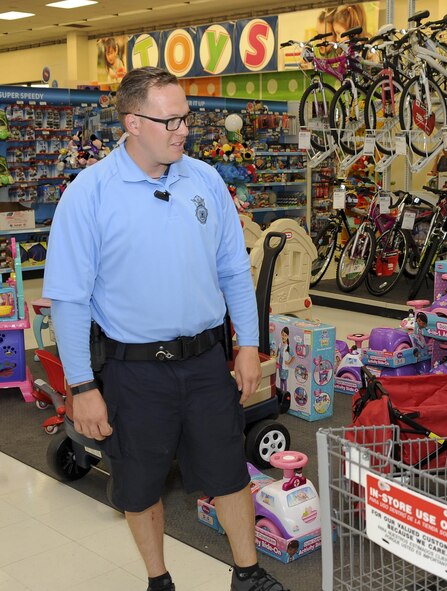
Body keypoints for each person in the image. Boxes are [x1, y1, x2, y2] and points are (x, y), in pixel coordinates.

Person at [42, 67, 286, 591]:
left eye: (186, 117)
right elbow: (69, 299)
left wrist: (248, 345)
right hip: (133, 371)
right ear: (132, 122)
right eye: (169, 119)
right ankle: (159, 581)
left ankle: (248, 575)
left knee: (228, 473)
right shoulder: (89, 194)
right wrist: (81, 387)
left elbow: (234, 274)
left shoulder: (205, 181)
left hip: (204, 363)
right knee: (140, 483)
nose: (183, 130)